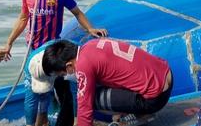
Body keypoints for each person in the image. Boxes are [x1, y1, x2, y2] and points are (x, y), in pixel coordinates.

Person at [3, 0, 108, 126]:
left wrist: (90, 29)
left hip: (52, 50)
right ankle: (33, 123)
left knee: (48, 88)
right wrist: (9, 42)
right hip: (33, 49)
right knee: (31, 92)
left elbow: (78, 13)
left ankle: (46, 118)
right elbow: (23, 19)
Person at [36, 39, 172, 126]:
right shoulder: (91, 44)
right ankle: (133, 111)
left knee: (88, 98)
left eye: (63, 74)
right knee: (99, 83)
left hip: (156, 98)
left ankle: (142, 112)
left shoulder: (83, 66)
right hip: (166, 75)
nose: (66, 76)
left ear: (68, 65)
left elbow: (85, 110)